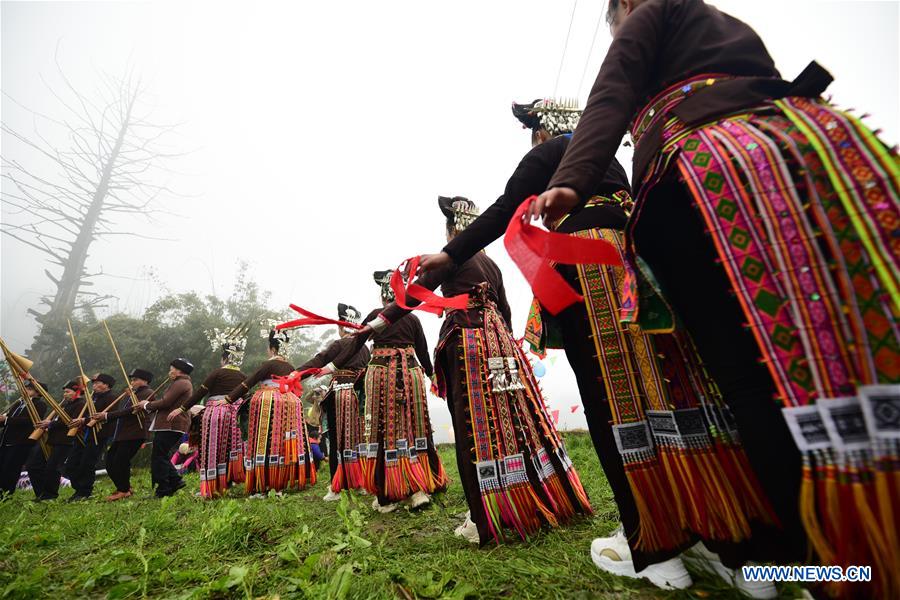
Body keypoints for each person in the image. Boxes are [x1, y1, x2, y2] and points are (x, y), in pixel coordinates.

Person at [531, 1, 900, 597]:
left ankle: (818, 570)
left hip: (709, 175)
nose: (619, 32)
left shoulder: (650, 13)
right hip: (798, 156)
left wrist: (571, 176)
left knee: (745, 384)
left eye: (613, 23)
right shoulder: (734, 30)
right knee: (830, 355)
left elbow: (611, 90)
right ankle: (800, 548)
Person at [414, 100, 778, 595]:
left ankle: (654, 548)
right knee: (674, 390)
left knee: (614, 400)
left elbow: (504, 210)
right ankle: (726, 541)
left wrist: (449, 254)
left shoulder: (546, 157)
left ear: (541, 130)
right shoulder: (612, 157)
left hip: (586, 263)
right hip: (636, 264)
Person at [357, 196, 592, 545]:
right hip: (499, 343)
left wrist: (376, 324)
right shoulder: (491, 264)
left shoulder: (453, 254)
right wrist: (506, 347)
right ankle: (535, 496)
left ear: (453, 226)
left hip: (467, 342)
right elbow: (506, 310)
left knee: (474, 424)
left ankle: (481, 516)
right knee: (512, 420)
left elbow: (414, 297)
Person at [361, 270, 448, 513]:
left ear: (382, 296)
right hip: (410, 374)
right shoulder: (412, 318)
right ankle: (420, 486)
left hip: (381, 376)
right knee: (413, 427)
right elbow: (422, 351)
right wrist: (432, 376)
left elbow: (355, 343)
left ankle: (389, 492)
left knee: (384, 430)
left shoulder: (374, 317)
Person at [294, 305, 371, 501]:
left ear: (341, 327)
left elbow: (318, 361)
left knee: (337, 440)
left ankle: (336, 487)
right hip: (359, 397)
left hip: (340, 395)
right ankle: (360, 482)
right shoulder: (364, 350)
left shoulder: (338, 345)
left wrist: (296, 374)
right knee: (358, 439)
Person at [226, 329, 315, 495]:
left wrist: (229, 398)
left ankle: (265, 484)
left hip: (269, 401)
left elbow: (248, 382)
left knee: (265, 441)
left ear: (272, 349)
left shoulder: (268, 364)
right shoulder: (289, 366)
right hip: (289, 401)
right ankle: (281, 482)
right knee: (283, 442)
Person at [168, 327, 248, 499]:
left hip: (214, 416)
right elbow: (245, 397)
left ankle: (211, 487)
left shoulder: (217, 373)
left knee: (211, 451)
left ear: (224, 358)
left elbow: (200, 393)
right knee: (229, 450)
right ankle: (227, 482)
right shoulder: (242, 376)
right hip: (233, 418)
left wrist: (181, 408)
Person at [92, 369, 154, 501]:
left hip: (136, 433)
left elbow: (130, 411)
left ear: (145, 381)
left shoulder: (147, 393)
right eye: (132, 380)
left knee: (120, 461)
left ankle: (123, 490)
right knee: (110, 461)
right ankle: (125, 487)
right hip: (123, 433)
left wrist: (107, 415)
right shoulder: (133, 394)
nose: (132, 382)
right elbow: (124, 410)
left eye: (135, 379)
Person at [134, 359, 193, 498]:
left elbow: (166, 402)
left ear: (179, 370)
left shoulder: (181, 383)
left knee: (158, 456)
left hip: (171, 425)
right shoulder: (181, 383)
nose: (170, 372)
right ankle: (175, 481)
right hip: (170, 424)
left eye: (171, 369)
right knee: (161, 455)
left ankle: (164, 488)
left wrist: (146, 405)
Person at [30, 378, 87, 501]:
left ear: (76, 392)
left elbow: (70, 422)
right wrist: (47, 425)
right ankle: (42, 493)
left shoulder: (81, 404)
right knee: (36, 466)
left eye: (68, 392)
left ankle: (50, 495)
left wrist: (50, 424)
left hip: (65, 441)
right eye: (64, 392)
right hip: (53, 440)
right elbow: (56, 420)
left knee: (53, 468)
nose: (65, 394)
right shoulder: (65, 404)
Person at [66, 373, 117, 501]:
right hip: (85, 433)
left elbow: (106, 416)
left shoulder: (112, 397)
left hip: (99, 434)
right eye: (93, 383)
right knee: (72, 463)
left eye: (97, 383)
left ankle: (84, 492)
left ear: (106, 385)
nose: (94, 385)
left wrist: (85, 420)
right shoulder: (92, 396)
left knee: (87, 463)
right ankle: (78, 489)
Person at [0, 378, 48, 498]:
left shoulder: (39, 404)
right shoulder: (19, 402)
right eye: (26, 388)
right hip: (6, 440)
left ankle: (6, 494)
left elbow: (30, 421)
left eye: (30, 389)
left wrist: (6, 419)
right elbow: (9, 419)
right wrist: (3, 420)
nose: (26, 391)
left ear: (38, 392)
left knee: (11, 469)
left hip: (20, 442)